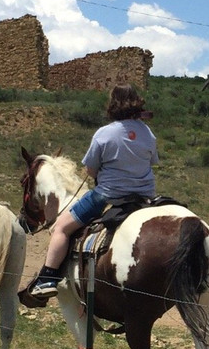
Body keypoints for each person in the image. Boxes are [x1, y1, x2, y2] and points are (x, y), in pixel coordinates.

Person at [25, 84, 158, 302]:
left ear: (113, 104)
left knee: (61, 228)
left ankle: (47, 278)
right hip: (145, 197)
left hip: (109, 195)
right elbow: (152, 161)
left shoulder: (104, 133)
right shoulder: (147, 132)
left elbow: (90, 170)